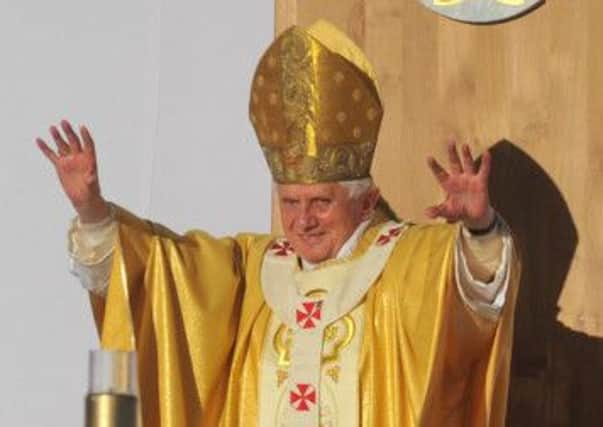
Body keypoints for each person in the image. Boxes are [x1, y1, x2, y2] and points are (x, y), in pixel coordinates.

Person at [37, 20, 519, 427]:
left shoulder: (406, 261)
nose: (302, 221)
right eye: (290, 202)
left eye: (320, 202)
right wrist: (94, 212)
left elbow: (477, 296)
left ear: (367, 199)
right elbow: (154, 273)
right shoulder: (250, 269)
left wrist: (479, 229)